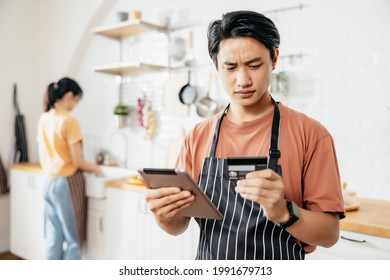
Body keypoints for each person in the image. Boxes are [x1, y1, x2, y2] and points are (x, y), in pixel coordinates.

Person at [144, 10, 345, 260]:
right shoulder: (197, 137)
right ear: (216, 66)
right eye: (230, 67)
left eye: (254, 65)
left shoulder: (311, 135)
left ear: (274, 59)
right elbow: (178, 225)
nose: (242, 80)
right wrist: (164, 216)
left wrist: (284, 212)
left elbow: (329, 233)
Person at [37, 77, 102, 259]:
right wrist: (96, 169)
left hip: (48, 183)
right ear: (68, 95)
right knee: (74, 242)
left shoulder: (44, 118)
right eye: (76, 99)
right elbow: (78, 161)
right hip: (65, 185)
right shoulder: (69, 121)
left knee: (53, 238)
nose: (75, 104)